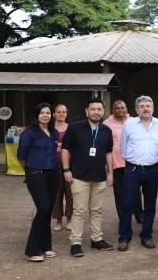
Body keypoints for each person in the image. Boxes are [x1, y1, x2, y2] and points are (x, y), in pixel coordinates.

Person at [61, 97, 115, 256]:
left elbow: (108, 152)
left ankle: (96, 240)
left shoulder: (106, 130)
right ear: (87, 111)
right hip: (79, 176)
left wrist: (110, 173)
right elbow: (65, 149)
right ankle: (76, 243)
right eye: (93, 109)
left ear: (103, 111)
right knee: (79, 211)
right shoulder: (75, 128)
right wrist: (66, 170)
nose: (96, 112)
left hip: (99, 177)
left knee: (97, 210)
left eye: (99, 109)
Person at [118, 95, 158, 251]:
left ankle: (146, 236)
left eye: (148, 106)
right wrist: (132, 160)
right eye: (142, 106)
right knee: (127, 204)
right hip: (132, 170)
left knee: (150, 205)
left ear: (153, 108)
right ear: (136, 109)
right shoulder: (129, 124)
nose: (145, 109)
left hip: (152, 170)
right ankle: (124, 238)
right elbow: (123, 147)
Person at [17, 103, 59, 262]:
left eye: (48, 113)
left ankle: (46, 246)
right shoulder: (29, 133)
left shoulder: (53, 132)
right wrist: (29, 171)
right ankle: (32, 249)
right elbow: (21, 156)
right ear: (37, 115)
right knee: (43, 208)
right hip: (36, 173)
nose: (45, 115)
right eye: (42, 113)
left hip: (53, 173)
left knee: (48, 211)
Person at [105, 100, 144, 225]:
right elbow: (105, 145)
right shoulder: (107, 124)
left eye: (123, 108)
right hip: (116, 163)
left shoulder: (134, 121)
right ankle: (123, 217)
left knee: (136, 190)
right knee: (119, 191)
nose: (120, 110)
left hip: (133, 162)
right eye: (117, 108)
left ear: (127, 109)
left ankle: (139, 214)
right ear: (113, 110)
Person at [51, 103, 73, 232]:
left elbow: (74, 145)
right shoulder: (49, 128)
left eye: (63, 112)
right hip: (53, 165)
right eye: (58, 112)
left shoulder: (71, 128)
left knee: (70, 193)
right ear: (54, 114)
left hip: (69, 165)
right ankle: (58, 220)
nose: (61, 114)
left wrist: (63, 147)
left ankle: (69, 219)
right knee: (56, 193)